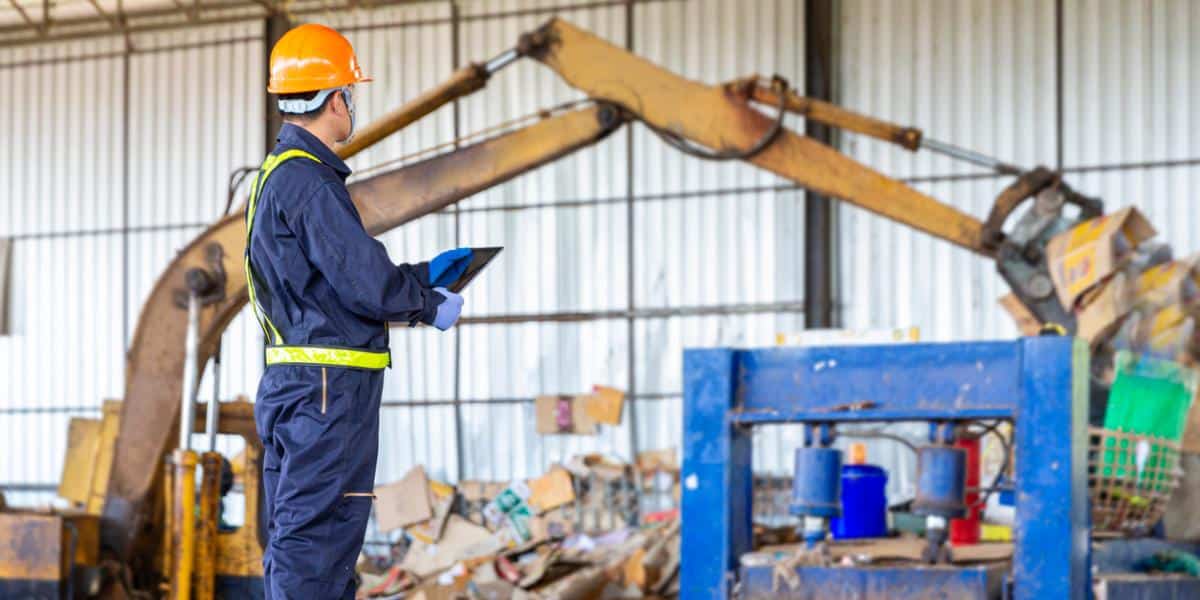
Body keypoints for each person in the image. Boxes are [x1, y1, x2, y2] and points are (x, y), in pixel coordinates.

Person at [248, 23, 473, 598]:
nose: (353, 104)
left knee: (298, 541)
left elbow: (329, 281)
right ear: (335, 98)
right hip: (329, 393)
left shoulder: (277, 178)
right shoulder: (312, 183)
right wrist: (425, 303)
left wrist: (421, 278)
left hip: (298, 387)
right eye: (351, 92)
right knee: (319, 545)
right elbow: (364, 284)